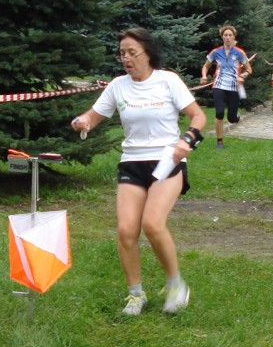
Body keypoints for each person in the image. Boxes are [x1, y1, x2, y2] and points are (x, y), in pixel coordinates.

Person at [72, 27, 207, 316]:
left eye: (132, 52)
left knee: (153, 224)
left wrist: (187, 140)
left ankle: (176, 285)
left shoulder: (168, 80)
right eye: (122, 53)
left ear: (147, 53)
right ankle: (136, 295)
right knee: (126, 230)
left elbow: (198, 116)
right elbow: (93, 116)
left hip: (167, 161)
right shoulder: (118, 86)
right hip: (132, 163)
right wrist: (83, 121)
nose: (126, 58)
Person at [200, 25, 252, 148]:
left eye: (230, 35)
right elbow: (206, 66)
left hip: (234, 87)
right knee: (219, 113)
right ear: (222, 37)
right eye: (225, 35)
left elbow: (249, 69)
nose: (228, 37)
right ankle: (219, 141)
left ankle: (235, 115)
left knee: (232, 119)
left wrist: (243, 76)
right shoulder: (216, 52)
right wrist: (204, 76)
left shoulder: (239, 53)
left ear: (234, 37)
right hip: (219, 85)